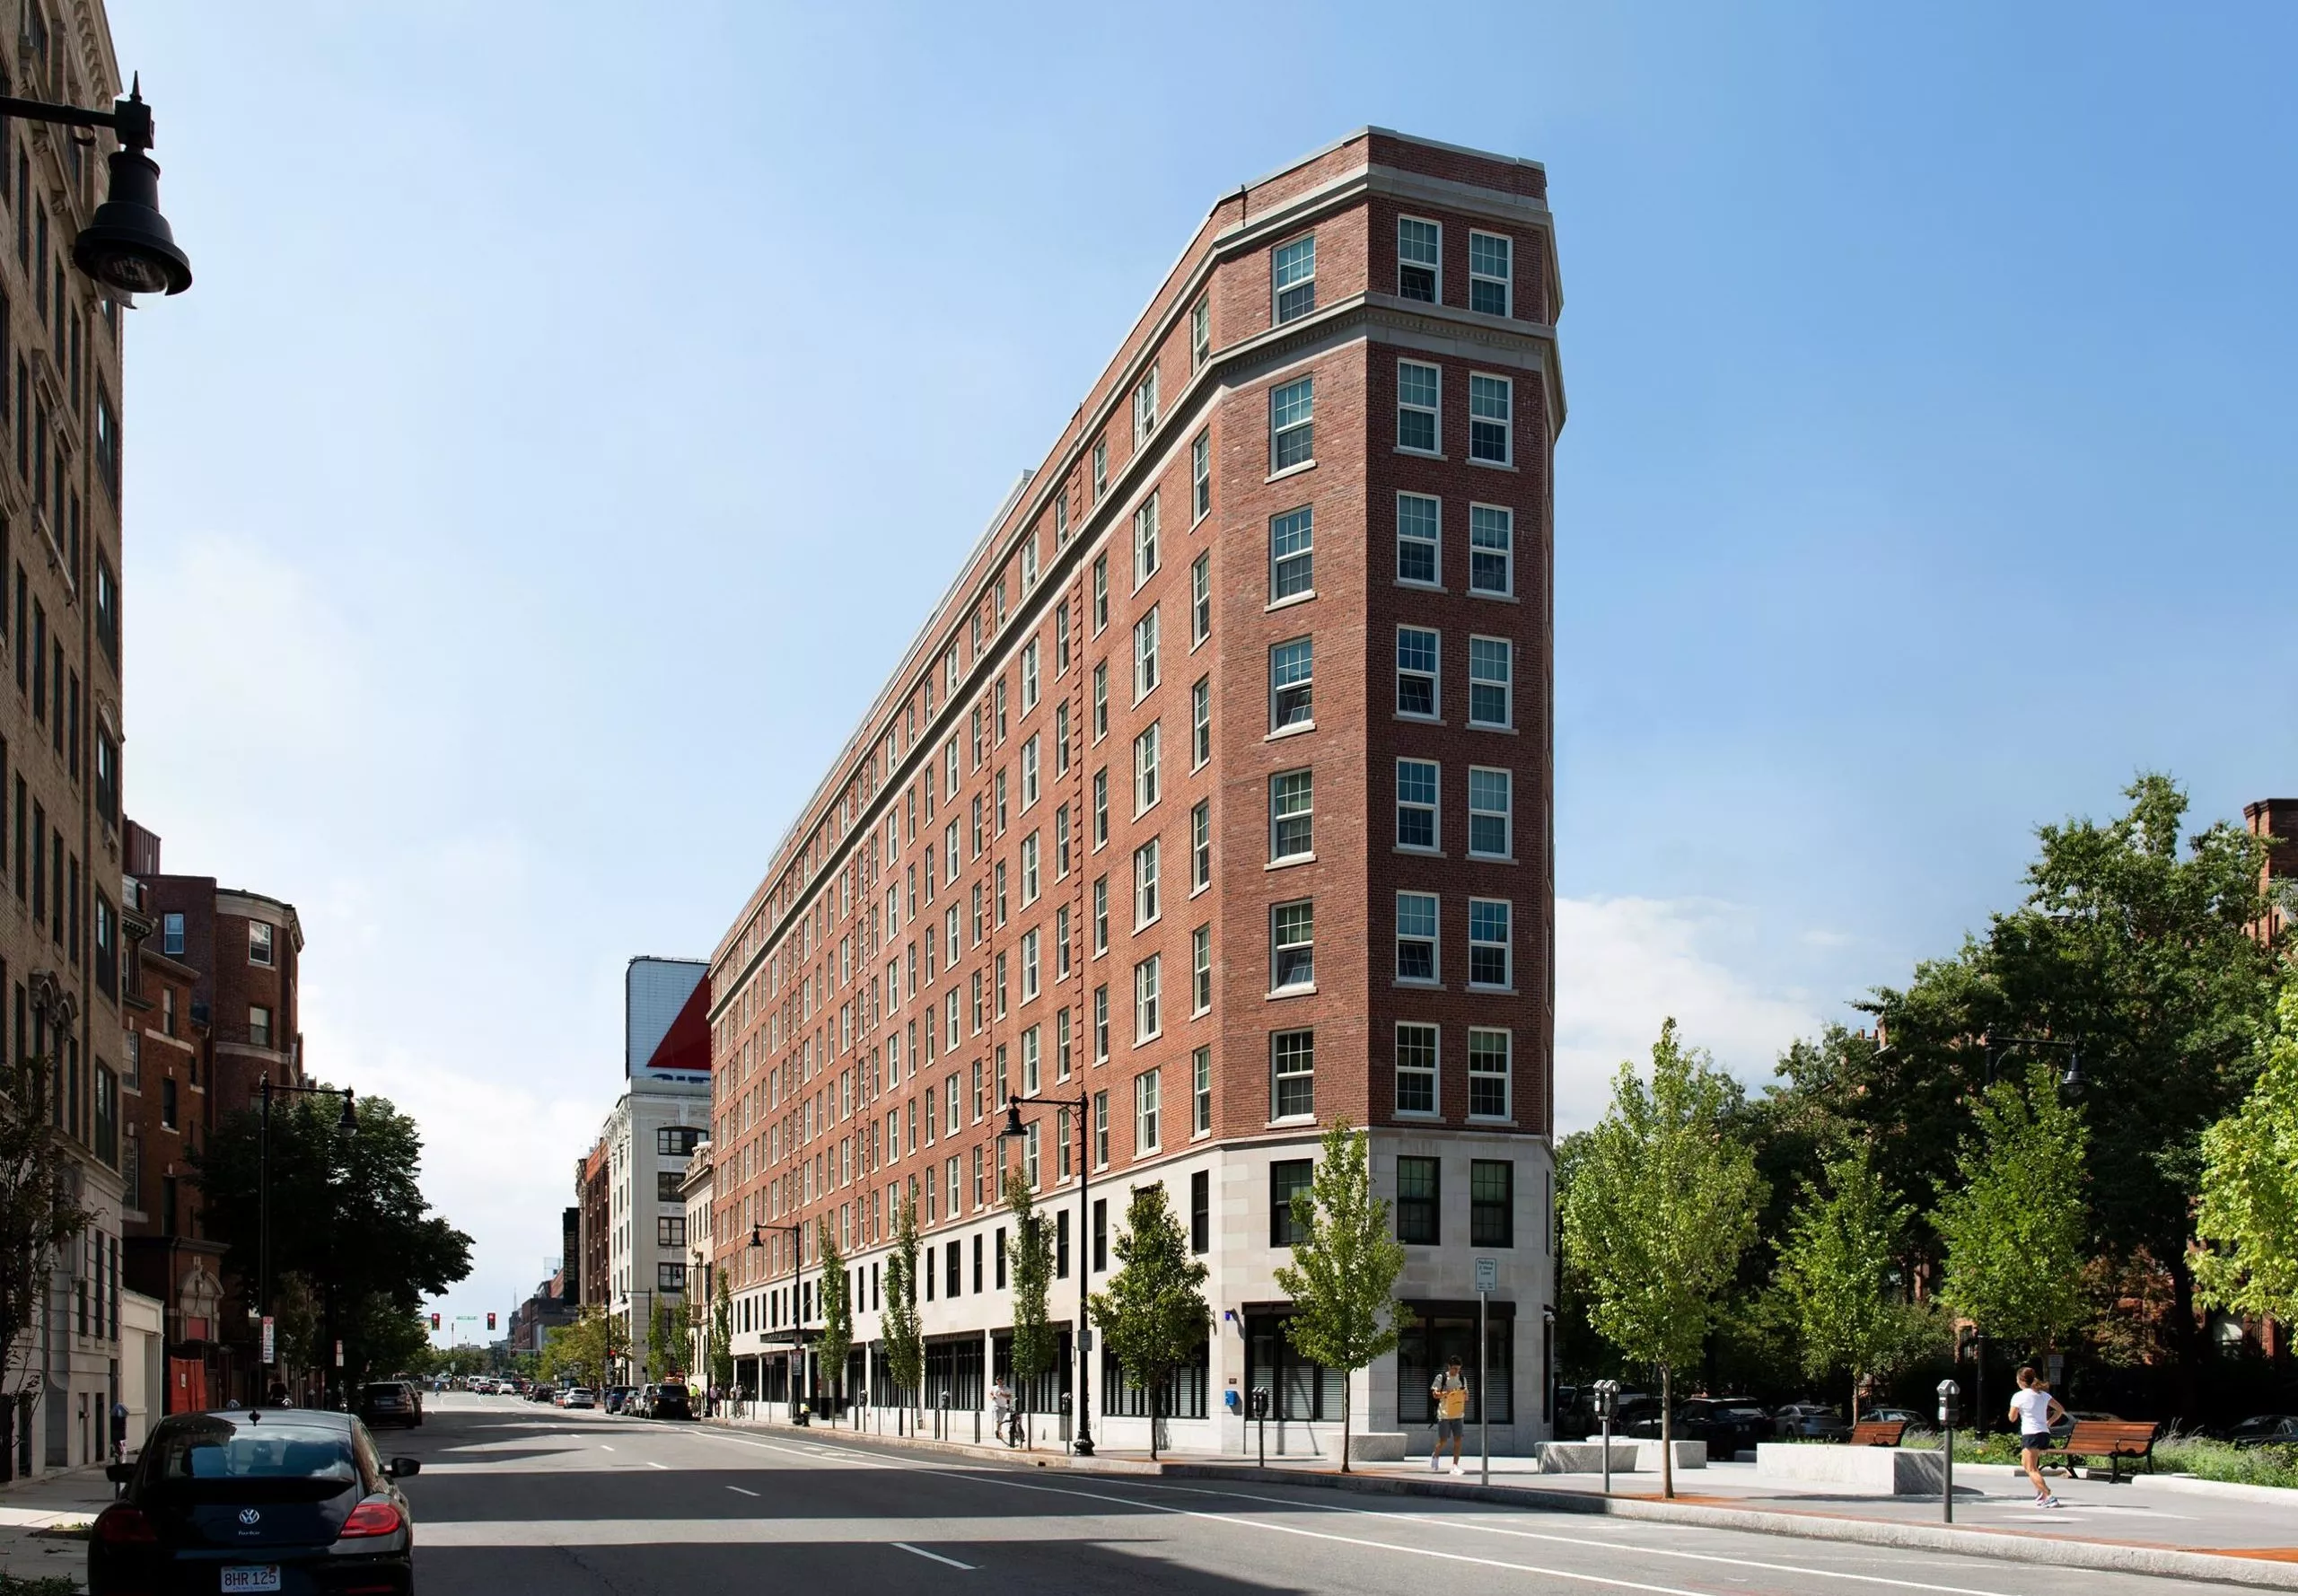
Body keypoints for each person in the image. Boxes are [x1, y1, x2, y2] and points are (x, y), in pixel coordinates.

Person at [2009, 1366, 2067, 1508]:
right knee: (2027, 1464)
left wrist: (2014, 1412)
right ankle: (2041, 1493)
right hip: (2044, 1433)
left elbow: (2012, 1418)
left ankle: (2048, 1495)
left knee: (2031, 1469)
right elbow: (2060, 1409)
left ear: (2021, 1381)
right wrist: (2049, 1422)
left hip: (2031, 1433)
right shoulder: (2043, 1394)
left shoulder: (2019, 1396)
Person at [1430, 1356, 1469, 1476]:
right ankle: (1436, 1454)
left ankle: (1455, 1465)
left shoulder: (1462, 1379)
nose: (1456, 1371)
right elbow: (1435, 1394)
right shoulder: (1441, 1377)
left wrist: (1463, 1395)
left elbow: (1466, 1396)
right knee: (1443, 1440)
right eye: (1454, 1369)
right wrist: (1447, 1393)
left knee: (1458, 1439)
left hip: (1458, 1413)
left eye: (1458, 1369)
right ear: (1449, 1367)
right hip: (1445, 1414)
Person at [991, 1377, 1015, 1446]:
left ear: (1002, 1381)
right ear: (996, 1381)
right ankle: (998, 1432)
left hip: (1003, 1406)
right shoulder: (994, 1388)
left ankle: (998, 1431)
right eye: (998, 1381)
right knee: (997, 1420)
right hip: (995, 1405)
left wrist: (1002, 1395)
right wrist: (992, 1397)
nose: (999, 1382)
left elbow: (1009, 1397)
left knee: (1001, 1421)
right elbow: (990, 1393)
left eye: (1000, 1381)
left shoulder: (1006, 1388)